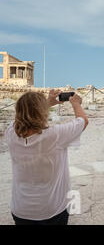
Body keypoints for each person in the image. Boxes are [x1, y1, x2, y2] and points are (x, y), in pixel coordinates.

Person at [5, 89, 88, 225]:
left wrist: (47, 103)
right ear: (40, 112)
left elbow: (21, 118)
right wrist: (76, 104)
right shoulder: (55, 135)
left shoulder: (11, 134)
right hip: (51, 210)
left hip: (21, 209)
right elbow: (83, 121)